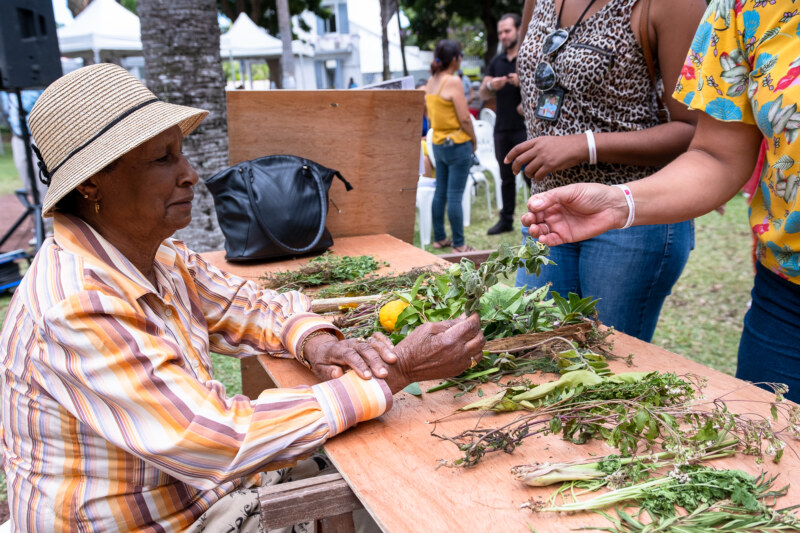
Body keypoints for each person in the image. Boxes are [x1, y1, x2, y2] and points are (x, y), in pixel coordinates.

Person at [0, 64, 485, 531]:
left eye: (181, 153)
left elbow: (242, 305)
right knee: (396, 503)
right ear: (91, 184)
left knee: (384, 466)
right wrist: (397, 371)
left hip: (197, 499)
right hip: (162, 524)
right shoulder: (78, 304)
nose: (190, 174)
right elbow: (212, 438)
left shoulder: (155, 255)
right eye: (163, 159)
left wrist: (316, 340)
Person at [514, 1, 800, 403]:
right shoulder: (747, 8)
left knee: (603, 383)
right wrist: (617, 203)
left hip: (634, 237)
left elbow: (688, 127)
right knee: (530, 364)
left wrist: (588, 146)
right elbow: (718, 153)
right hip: (786, 297)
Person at [510, 0, 706, 342]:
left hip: (631, 217)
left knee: (605, 368)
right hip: (550, 210)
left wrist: (583, 145)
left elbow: (694, 129)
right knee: (530, 353)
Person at [425, 40, 478, 253]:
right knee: (455, 195)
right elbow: (465, 118)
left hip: (438, 144)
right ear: (455, 59)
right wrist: (473, 140)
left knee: (440, 192)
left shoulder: (431, 81)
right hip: (457, 144)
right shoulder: (453, 81)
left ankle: (439, 238)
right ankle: (459, 244)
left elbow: (430, 114)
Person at [480, 13, 530, 235]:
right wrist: (492, 84)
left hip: (526, 127)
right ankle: (506, 219)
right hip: (501, 127)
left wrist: (524, 82)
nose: (503, 36)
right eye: (500, 32)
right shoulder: (496, 61)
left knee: (532, 175)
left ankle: (541, 215)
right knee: (505, 177)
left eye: (507, 31)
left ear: (519, 30)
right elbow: (482, 91)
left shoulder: (528, 56)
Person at [0, 89, 49, 239]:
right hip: (18, 137)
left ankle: (48, 229)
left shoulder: (36, 87)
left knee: (43, 184)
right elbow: (5, 114)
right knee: (28, 185)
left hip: (37, 137)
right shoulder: (6, 92)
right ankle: (38, 226)